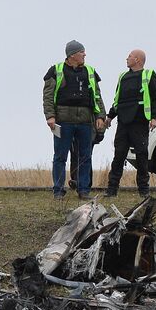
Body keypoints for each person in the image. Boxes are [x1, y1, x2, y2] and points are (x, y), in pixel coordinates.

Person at [43, 40, 106, 200]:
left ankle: (84, 190)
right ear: (72, 55)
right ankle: (58, 190)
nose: (85, 54)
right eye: (81, 52)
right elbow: (48, 96)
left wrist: (100, 116)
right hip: (63, 121)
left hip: (85, 121)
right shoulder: (55, 70)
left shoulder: (90, 71)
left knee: (85, 156)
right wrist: (50, 116)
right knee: (60, 156)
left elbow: (97, 96)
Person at [106, 49, 156, 198]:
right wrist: (109, 117)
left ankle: (144, 191)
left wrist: (154, 117)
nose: (127, 58)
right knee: (119, 155)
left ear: (137, 59)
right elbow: (117, 101)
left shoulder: (149, 75)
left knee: (141, 156)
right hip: (123, 123)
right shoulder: (123, 77)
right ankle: (111, 190)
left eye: (130, 56)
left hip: (139, 122)